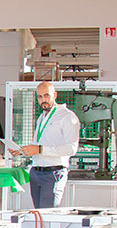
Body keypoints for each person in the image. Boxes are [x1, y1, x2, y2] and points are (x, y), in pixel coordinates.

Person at [18, 81, 80, 209]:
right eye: (40, 97)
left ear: (55, 95)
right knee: (39, 215)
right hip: (36, 172)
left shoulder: (67, 117)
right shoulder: (42, 117)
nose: (43, 100)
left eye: (46, 95)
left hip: (53, 173)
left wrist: (40, 149)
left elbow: (71, 149)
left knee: (48, 215)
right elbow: (40, 144)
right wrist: (22, 151)